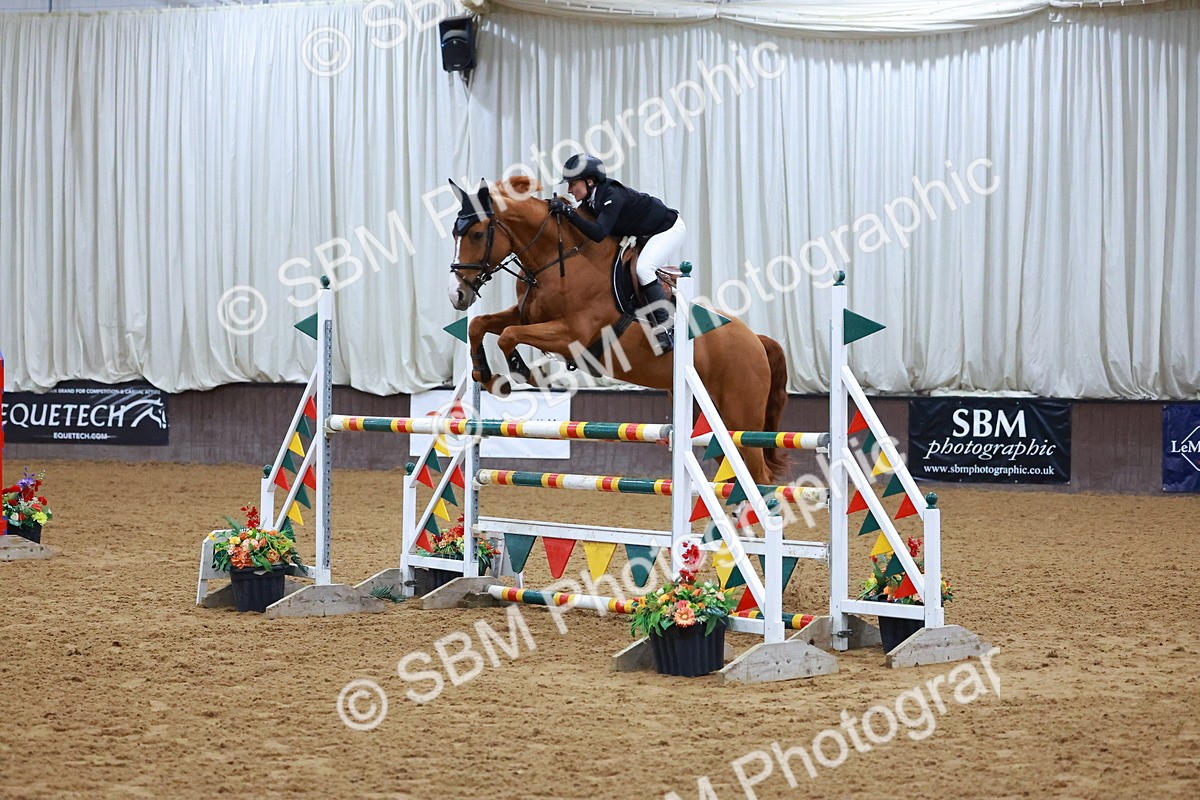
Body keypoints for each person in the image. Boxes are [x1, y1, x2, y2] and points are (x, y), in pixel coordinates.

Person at [548, 154, 685, 352]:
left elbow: (598, 233)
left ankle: (664, 327)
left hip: (668, 229)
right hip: (644, 233)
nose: (569, 190)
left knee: (644, 269)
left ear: (590, 181)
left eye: (572, 183)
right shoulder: (590, 201)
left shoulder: (612, 195)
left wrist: (568, 213)